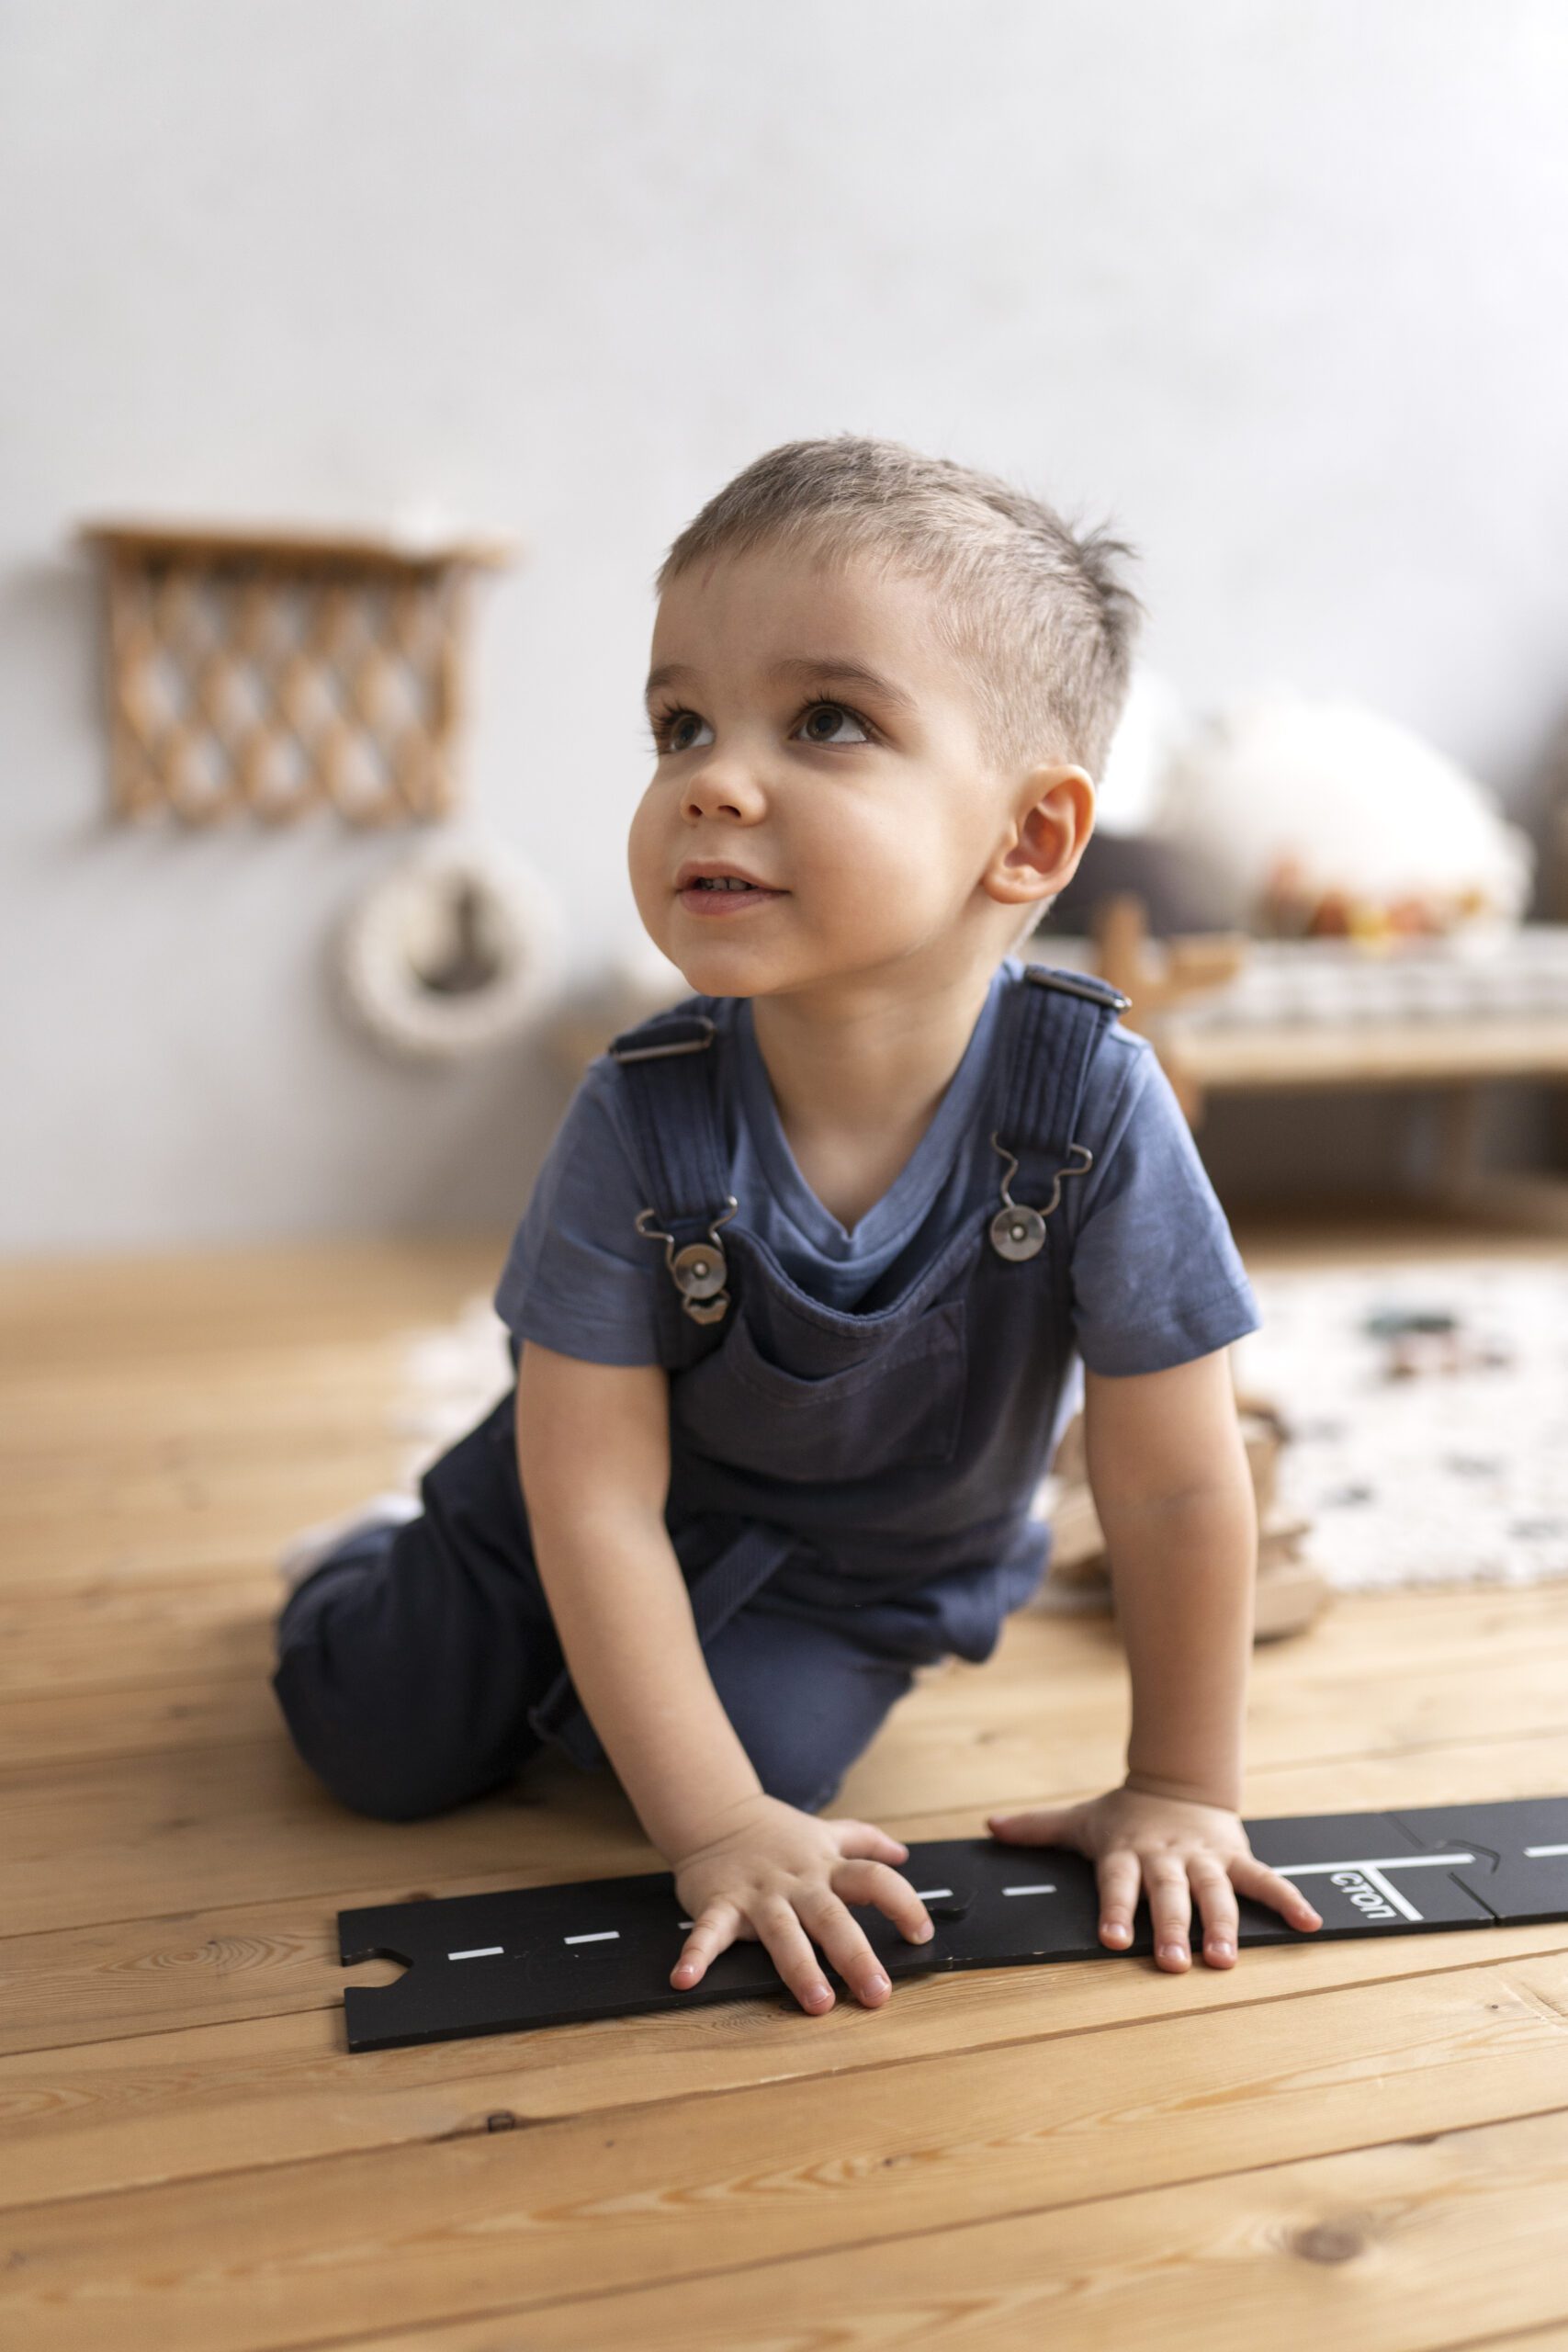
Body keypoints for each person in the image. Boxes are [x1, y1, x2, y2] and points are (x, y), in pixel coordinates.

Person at [273, 435, 1323, 2019]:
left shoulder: (1095, 1108)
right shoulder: (641, 1113)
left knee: (754, 1768)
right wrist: (713, 1834)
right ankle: (355, 1562)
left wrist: (1180, 1783)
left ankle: (653, 1713)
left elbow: (1175, 1485)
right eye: (679, 721)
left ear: (1029, 842)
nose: (712, 772)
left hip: (864, 1575)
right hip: (555, 1504)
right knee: (376, 1737)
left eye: (825, 720)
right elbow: (596, 1503)